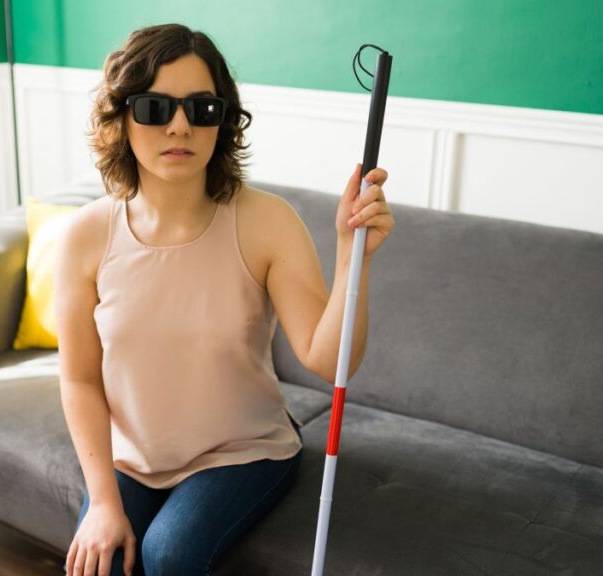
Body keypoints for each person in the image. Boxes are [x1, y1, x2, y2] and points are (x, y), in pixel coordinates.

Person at [55, 22, 394, 576]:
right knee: (102, 561)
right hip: (133, 458)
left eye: (202, 108)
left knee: (169, 555)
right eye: (156, 107)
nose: (181, 125)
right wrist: (103, 503)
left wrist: (353, 253)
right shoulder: (85, 237)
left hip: (245, 450)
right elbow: (79, 381)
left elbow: (330, 360)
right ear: (121, 118)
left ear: (223, 121)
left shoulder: (268, 223)